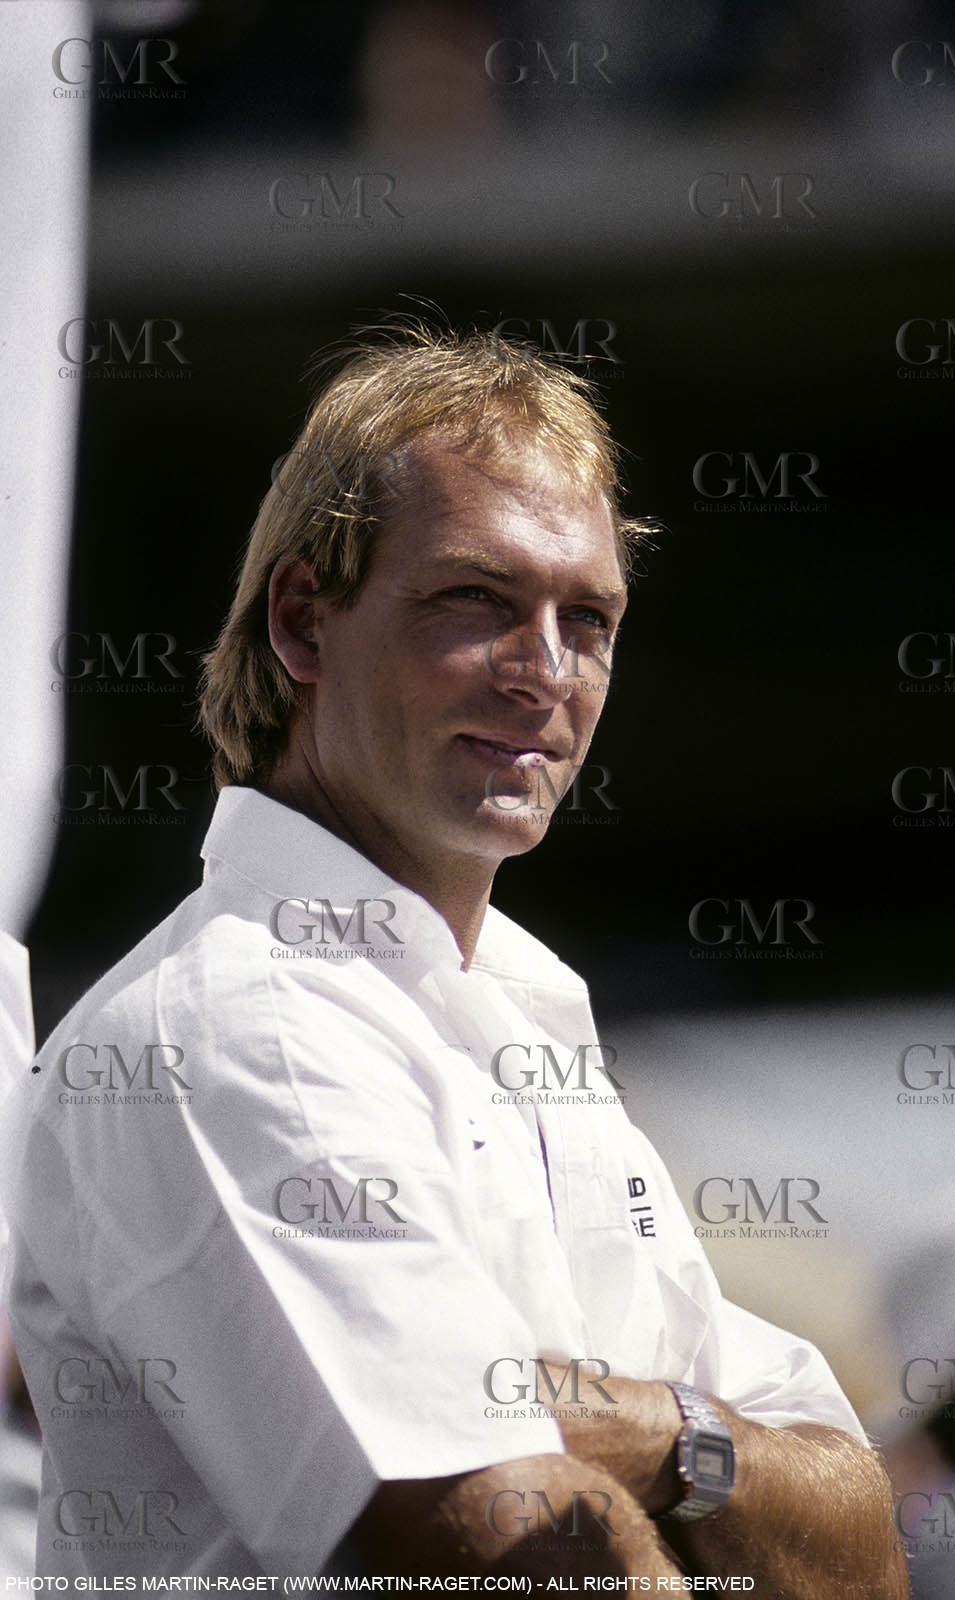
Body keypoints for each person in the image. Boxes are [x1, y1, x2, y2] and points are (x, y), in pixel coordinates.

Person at [0, 326, 908, 1592]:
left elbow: (861, 1547)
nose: (545, 670)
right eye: (476, 598)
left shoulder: (512, 1013)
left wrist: (659, 1434)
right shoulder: (240, 1026)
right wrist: (703, 1456)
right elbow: (515, 1555)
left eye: (587, 617)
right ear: (302, 621)